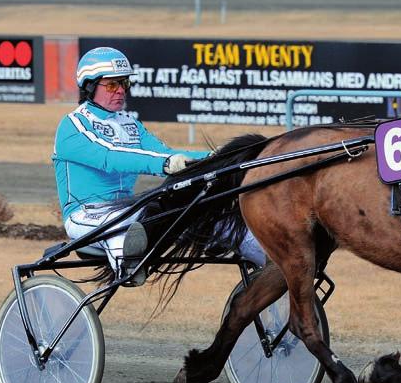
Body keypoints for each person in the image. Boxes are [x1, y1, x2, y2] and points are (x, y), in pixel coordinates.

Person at [52, 47, 264, 287]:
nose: (121, 90)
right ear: (89, 86)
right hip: (86, 214)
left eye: (124, 83)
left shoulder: (130, 124)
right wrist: (163, 164)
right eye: (112, 85)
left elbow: (167, 154)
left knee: (203, 213)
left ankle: (271, 261)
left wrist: (219, 158)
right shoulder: (72, 126)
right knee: (127, 223)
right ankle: (126, 264)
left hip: (129, 209)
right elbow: (110, 157)